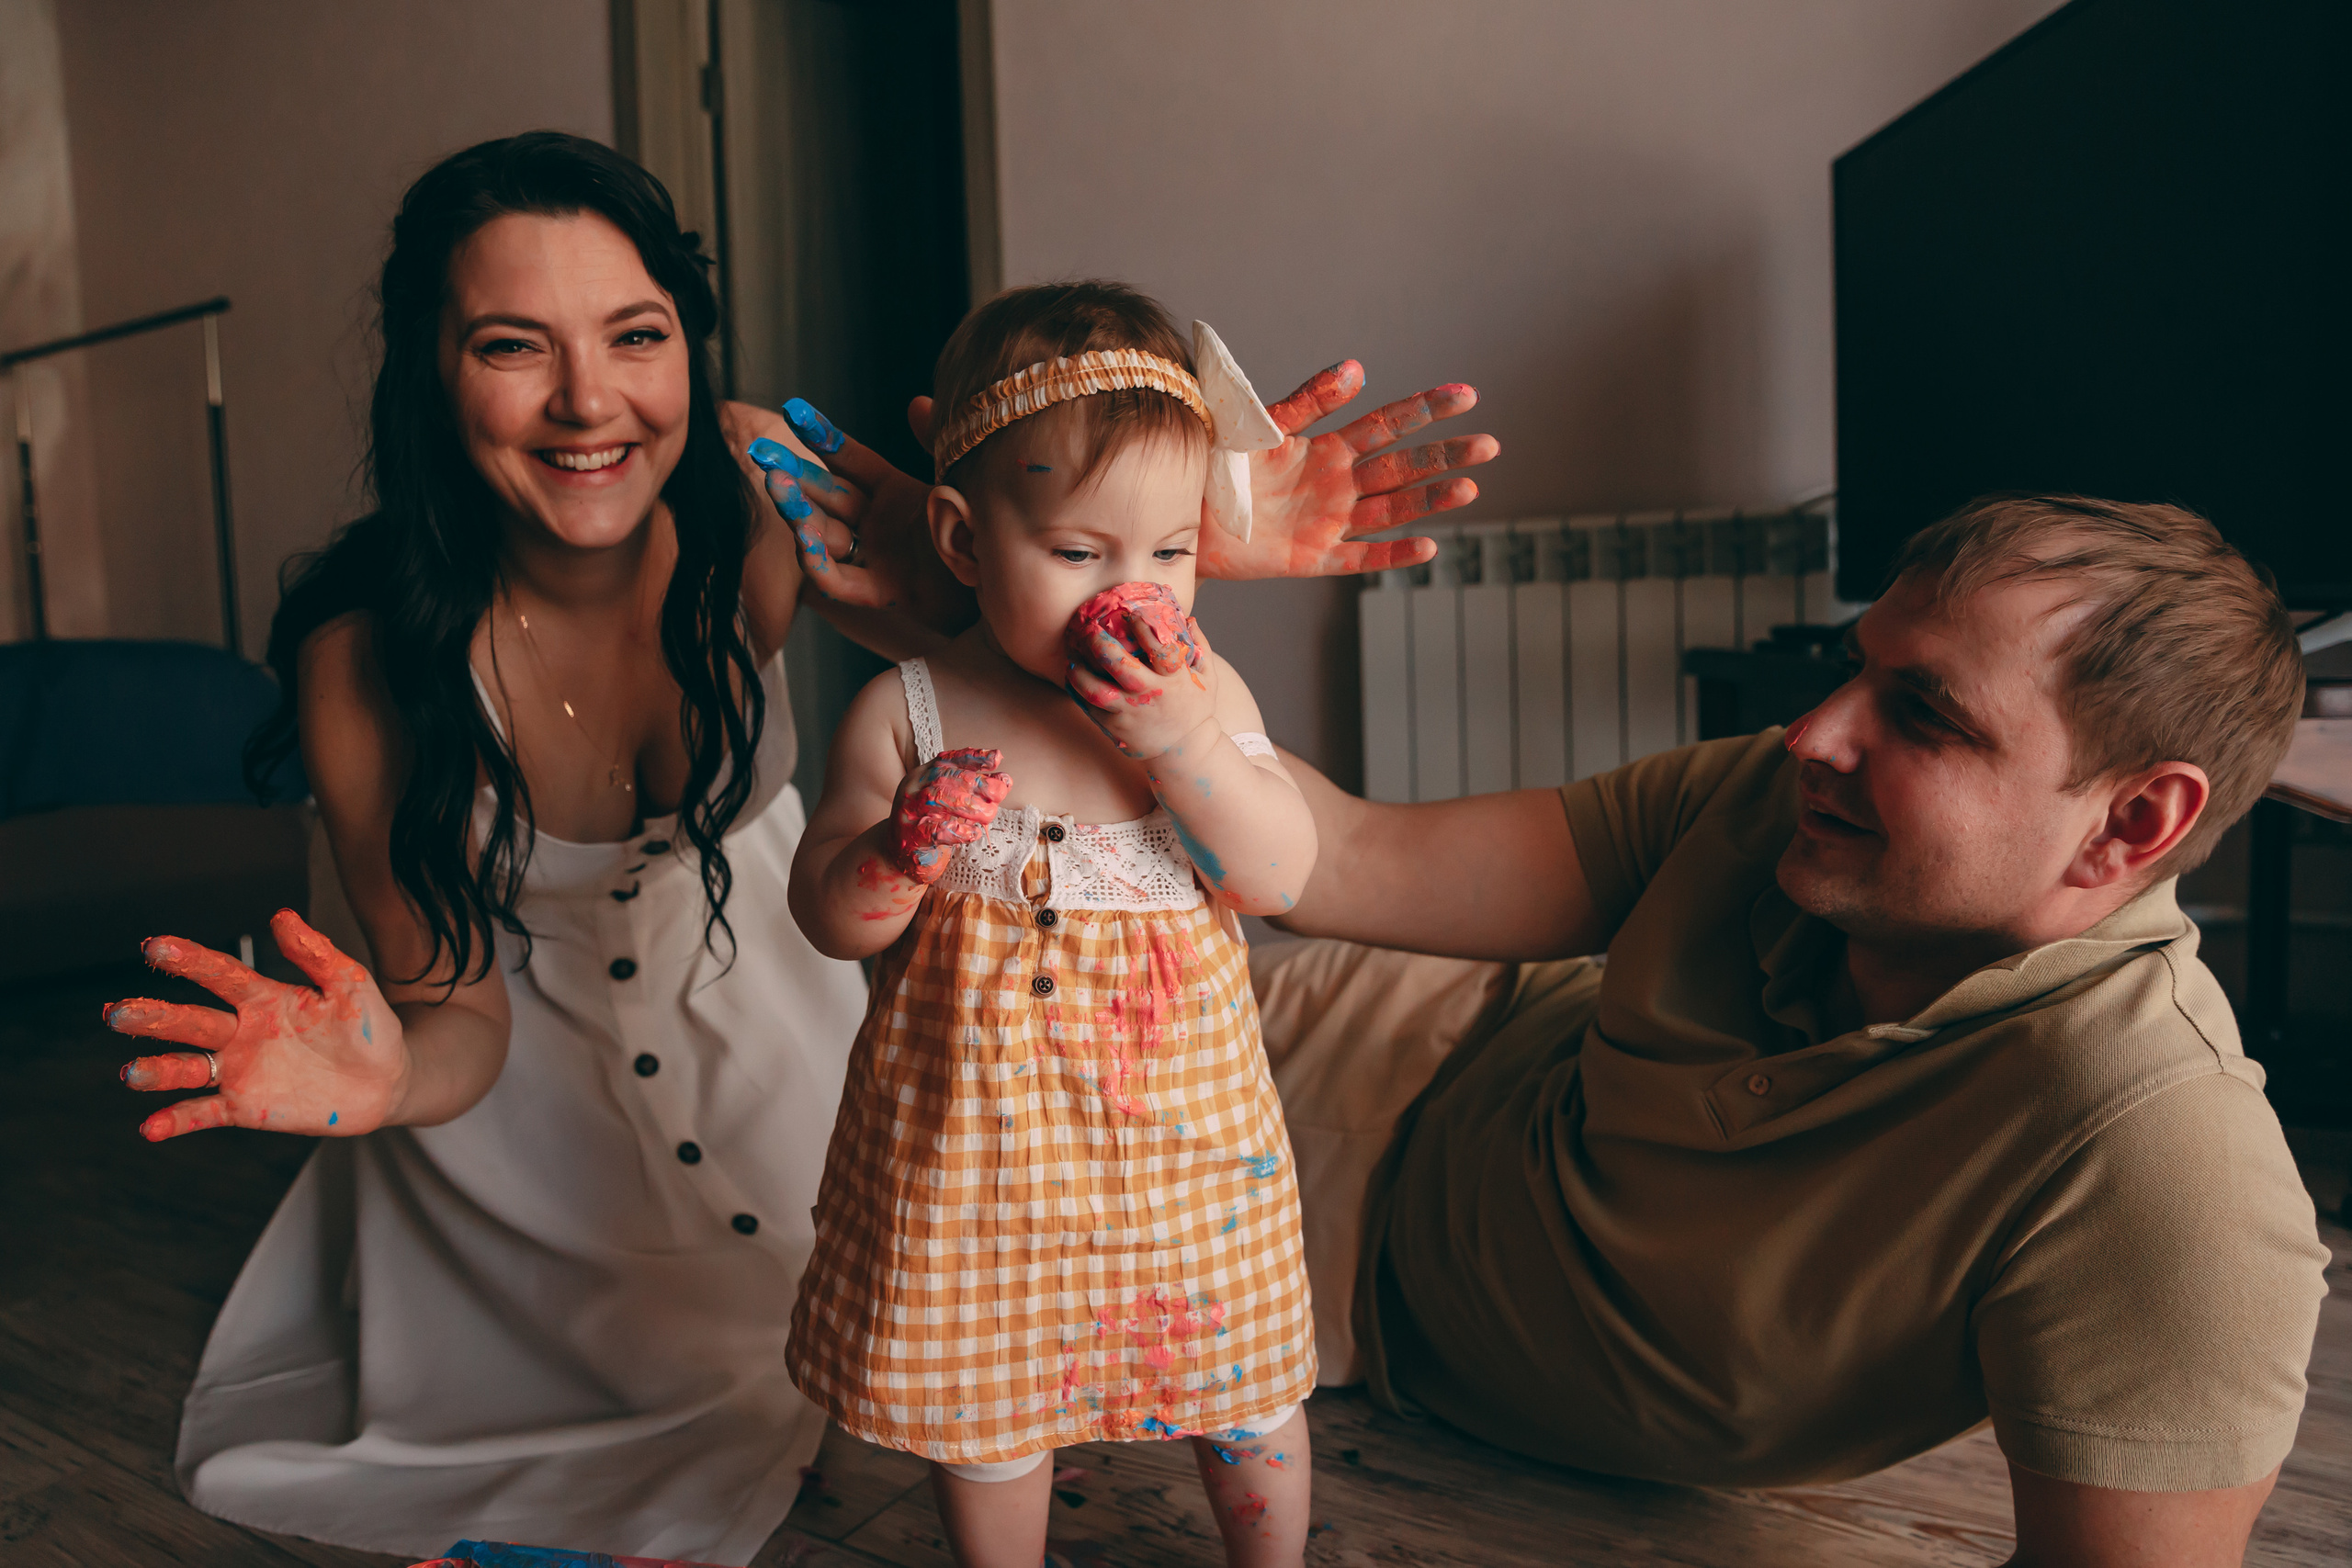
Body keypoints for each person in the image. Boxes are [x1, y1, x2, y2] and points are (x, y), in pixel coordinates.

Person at [103, 133, 1497, 1563]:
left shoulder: (757, 483)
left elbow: (1011, 627)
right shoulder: (369, 666)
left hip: (785, 1066)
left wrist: (1175, 534)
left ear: (686, 342)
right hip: (520, 1147)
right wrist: (389, 1074)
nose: (589, 400)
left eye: (635, 334)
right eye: (513, 346)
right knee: (763, 1415)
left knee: (971, 1359)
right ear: (428, 371)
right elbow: (460, 1005)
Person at [792, 485, 2331, 1567]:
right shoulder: (1768, 801)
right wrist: (1022, 645)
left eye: (1923, 714)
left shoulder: (2169, 1170)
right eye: (1854, 672)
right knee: (816, 1131)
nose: (1814, 733)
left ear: (2135, 822)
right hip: (1369, 1037)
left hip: (1321, 1271)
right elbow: (1345, 862)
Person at [785, 281, 1323, 1567]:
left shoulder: (1205, 693)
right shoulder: (907, 713)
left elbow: (1277, 873)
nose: (1130, 596)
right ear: (965, 541)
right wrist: (900, 849)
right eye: (1080, 554)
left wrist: (1185, 744)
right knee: (988, 1418)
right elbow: (827, 917)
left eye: (1171, 553)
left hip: (1190, 1156)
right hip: (979, 1162)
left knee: (1247, 1395)